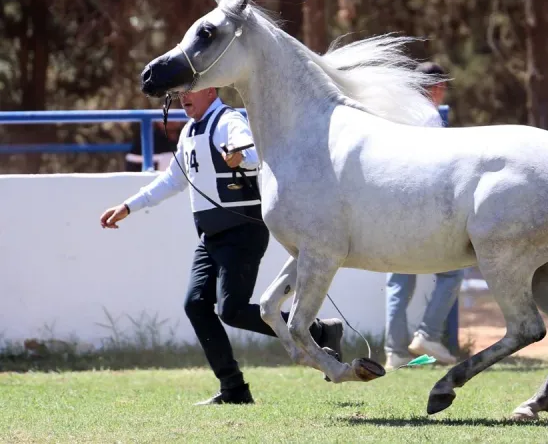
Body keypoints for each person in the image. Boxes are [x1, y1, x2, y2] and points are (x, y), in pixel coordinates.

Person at [100, 87, 344, 405]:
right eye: (180, 93)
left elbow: (258, 154)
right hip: (210, 237)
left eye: (190, 90)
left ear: (211, 89)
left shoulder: (227, 120)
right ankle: (234, 388)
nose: (183, 97)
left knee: (232, 310)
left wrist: (242, 155)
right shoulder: (189, 130)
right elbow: (173, 180)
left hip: (242, 231)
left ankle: (322, 332)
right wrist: (129, 205)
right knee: (196, 305)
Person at [384, 62, 464, 370]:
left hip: (388, 207)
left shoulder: (393, 112)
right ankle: (428, 335)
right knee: (451, 272)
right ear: (437, 87)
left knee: (398, 282)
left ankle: (395, 353)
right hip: (419, 207)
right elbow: (433, 167)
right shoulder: (429, 117)